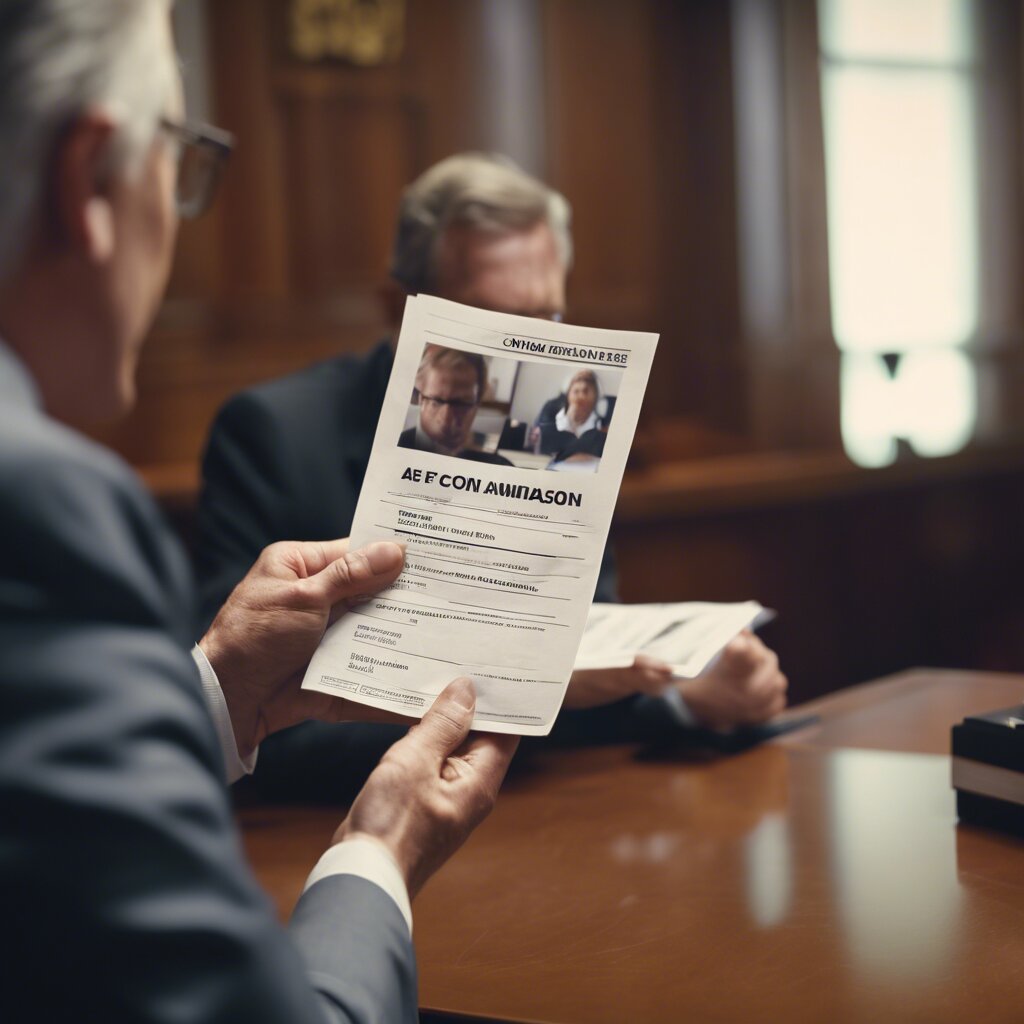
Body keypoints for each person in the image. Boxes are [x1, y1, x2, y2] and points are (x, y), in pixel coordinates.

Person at [0, 3, 516, 1020]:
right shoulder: (35, 505)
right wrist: (377, 852)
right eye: (179, 157)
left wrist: (218, 690)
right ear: (88, 180)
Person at [196, 152, 787, 773]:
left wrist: (684, 696)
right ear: (398, 311)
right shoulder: (272, 437)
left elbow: (587, 666)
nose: (533, 355)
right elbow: (245, 720)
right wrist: (523, 698)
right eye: (492, 323)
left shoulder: (557, 443)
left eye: (547, 320)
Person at [398, 344, 512, 465]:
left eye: (461, 403)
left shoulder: (500, 467)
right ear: (421, 398)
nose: (447, 418)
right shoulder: (388, 450)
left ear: (477, 404)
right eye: (437, 401)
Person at [531, 368, 609, 460]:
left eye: (585, 391)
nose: (581, 396)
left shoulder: (602, 424)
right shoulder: (554, 414)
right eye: (576, 391)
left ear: (596, 396)